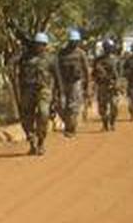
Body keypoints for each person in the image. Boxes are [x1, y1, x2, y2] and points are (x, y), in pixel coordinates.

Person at [11, 25, 59, 155]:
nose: (38, 46)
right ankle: (31, 140)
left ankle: (41, 141)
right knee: (26, 117)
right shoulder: (26, 57)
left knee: (44, 113)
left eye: (41, 44)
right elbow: (14, 66)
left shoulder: (51, 58)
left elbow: (57, 77)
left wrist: (59, 95)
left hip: (44, 89)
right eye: (37, 44)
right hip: (27, 89)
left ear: (45, 45)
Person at [56, 29, 90, 138]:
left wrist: (87, 85)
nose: (74, 43)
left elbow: (86, 70)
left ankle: (71, 128)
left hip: (76, 83)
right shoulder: (62, 53)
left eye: (76, 41)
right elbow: (57, 68)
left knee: (73, 106)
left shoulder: (81, 53)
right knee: (61, 106)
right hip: (63, 82)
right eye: (72, 41)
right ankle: (68, 124)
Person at [92, 39, 121, 131]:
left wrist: (117, 84)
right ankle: (105, 124)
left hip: (113, 86)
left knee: (114, 106)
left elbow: (120, 74)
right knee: (102, 107)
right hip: (102, 86)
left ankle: (112, 123)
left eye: (109, 47)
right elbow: (94, 73)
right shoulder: (98, 60)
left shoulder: (116, 60)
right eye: (106, 47)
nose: (107, 49)